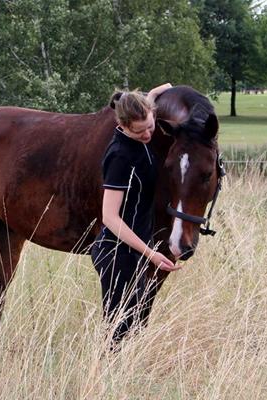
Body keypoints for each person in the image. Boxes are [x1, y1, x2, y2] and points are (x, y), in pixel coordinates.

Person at [91, 83, 180, 344]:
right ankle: (103, 382)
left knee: (135, 326)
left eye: (150, 127)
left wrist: (159, 93)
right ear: (123, 125)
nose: (147, 134)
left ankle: (124, 382)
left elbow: (151, 98)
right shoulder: (120, 156)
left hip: (136, 252)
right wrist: (151, 253)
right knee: (118, 332)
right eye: (139, 131)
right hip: (116, 254)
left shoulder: (142, 121)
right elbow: (110, 217)